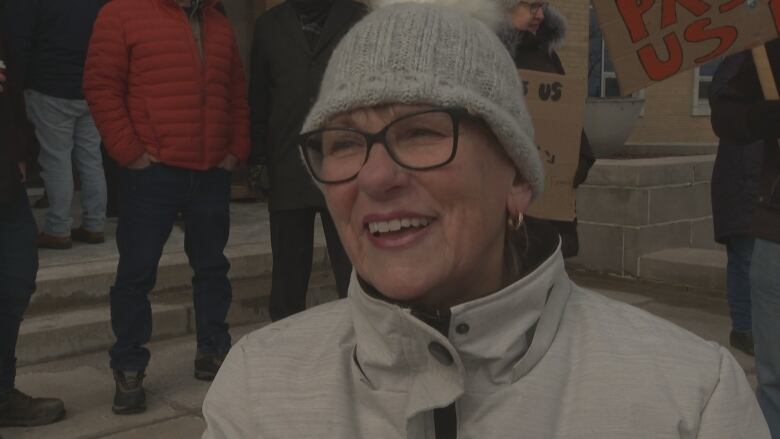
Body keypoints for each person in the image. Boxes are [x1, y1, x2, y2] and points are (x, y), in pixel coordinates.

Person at [201, 1, 769, 437]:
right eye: (343, 143)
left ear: (519, 176)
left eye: (421, 131)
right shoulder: (258, 391)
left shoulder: (688, 401)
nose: (374, 178)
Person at [83, 0, 250, 415]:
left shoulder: (217, 19)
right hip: (152, 173)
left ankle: (213, 351)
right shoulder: (121, 13)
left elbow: (236, 92)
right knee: (136, 274)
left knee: (212, 268)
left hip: (211, 170)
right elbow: (101, 87)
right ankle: (128, 364)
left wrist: (236, 150)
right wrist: (131, 153)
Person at [248, 0, 365, 321]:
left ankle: (361, 339)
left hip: (344, 164)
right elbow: (258, 99)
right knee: (288, 274)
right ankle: (286, 348)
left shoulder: (359, 18)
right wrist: (257, 160)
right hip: (288, 162)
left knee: (353, 270)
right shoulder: (270, 26)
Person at [710, 38, 780, 438]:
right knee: (775, 381)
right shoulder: (763, 44)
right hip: (775, 228)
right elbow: (725, 109)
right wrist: (759, 119)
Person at [0, 0, 65, 426]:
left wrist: (21, 150)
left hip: (5, 185)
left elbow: (13, 89)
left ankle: (3, 393)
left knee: (15, 281)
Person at [5, 0, 107, 250]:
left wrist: (16, 85)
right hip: (90, 88)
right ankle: (95, 224)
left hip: (49, 87)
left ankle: (58, 228)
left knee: (56, 159)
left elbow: (18, 43)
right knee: (91, 158)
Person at [499, 0, 595, 258]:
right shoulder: (490, 56)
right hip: (503, 213)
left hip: (550, 212)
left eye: (543, 6)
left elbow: (567, 119)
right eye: (532, 6)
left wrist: (579, 159)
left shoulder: (547, 55)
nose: (540, 15)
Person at [709, 51, 764, 357]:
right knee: (745, 258)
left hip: (757, 185)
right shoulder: (743, 59)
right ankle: (744, 329)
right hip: (744, 184)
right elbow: (722, 103)